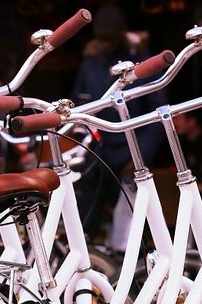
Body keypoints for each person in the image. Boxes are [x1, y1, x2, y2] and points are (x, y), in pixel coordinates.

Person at [70, 4, 168, 242]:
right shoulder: (91, 63)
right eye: (101, 38)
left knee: (131, 234)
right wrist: (81, 149)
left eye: (110, 38)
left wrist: (139, 156)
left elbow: (158, 116)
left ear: (122, 33)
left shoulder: (142, 64)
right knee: (83, 227)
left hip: (129, 155)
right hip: (96, 154)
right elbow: (77, 106)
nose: (105, 44)